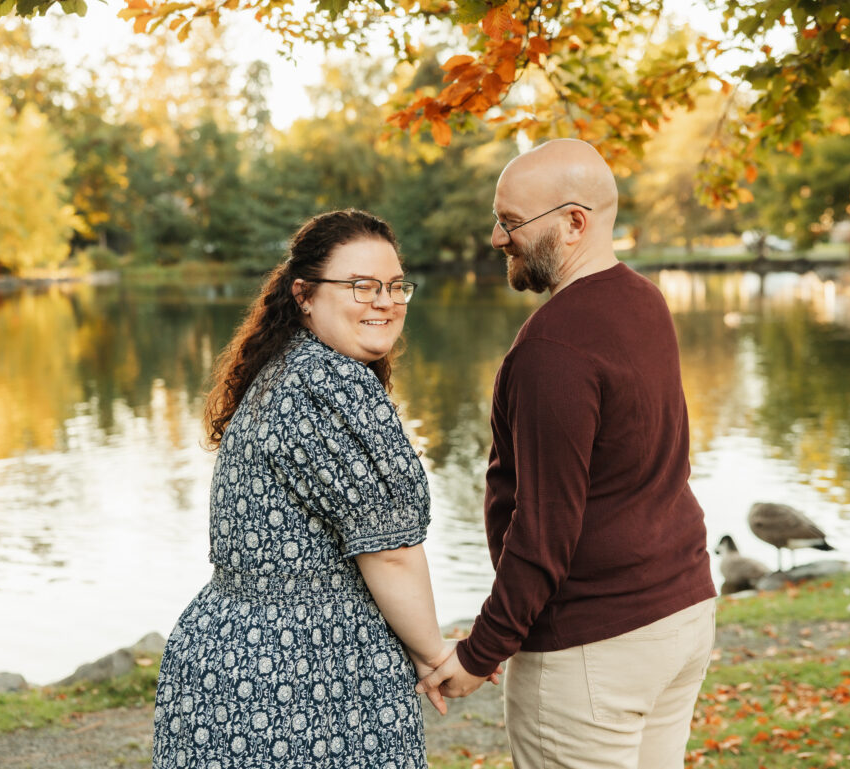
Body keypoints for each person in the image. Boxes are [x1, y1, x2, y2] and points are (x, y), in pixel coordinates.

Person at [417, 140, 717, 769]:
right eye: (497, 218)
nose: (496, 238)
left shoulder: (552, 349)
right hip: (679, 614)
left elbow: (544, 529)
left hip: (593, 648)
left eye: (511, 221)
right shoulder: (643, 299)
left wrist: (482, 650)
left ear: (574, 222)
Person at [152, 209, 452, 768]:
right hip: (306, 676)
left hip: (226, 659)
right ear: (305, 295)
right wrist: (435, 654)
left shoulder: (286, 368)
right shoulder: (330, 383)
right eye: (361, 285)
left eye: (394, 286)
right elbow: (389, 551)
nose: (385, 301)